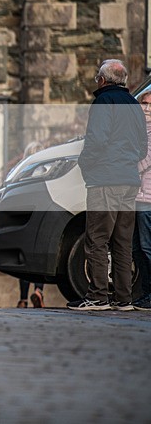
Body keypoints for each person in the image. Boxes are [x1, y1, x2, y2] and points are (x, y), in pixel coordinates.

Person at [69, 59, 147, 311]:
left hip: (105, 179)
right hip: (129, 181)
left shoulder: (103, 102)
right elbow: (142, 147)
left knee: (97, 239)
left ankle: (98, 296)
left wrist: (85, 164)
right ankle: (124, 298)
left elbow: (96, 141)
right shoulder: (135, 106)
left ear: (102, 79)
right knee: (123, 242)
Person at [132, 92, 151, 310]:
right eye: (143, 104)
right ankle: (146, 292)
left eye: (149, 105)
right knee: (136, 248)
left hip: (148, 198)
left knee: (147, 247)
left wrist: (124, 169)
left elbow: (145, 160)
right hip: (136, 197)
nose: (145, 108)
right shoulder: (139, 131)